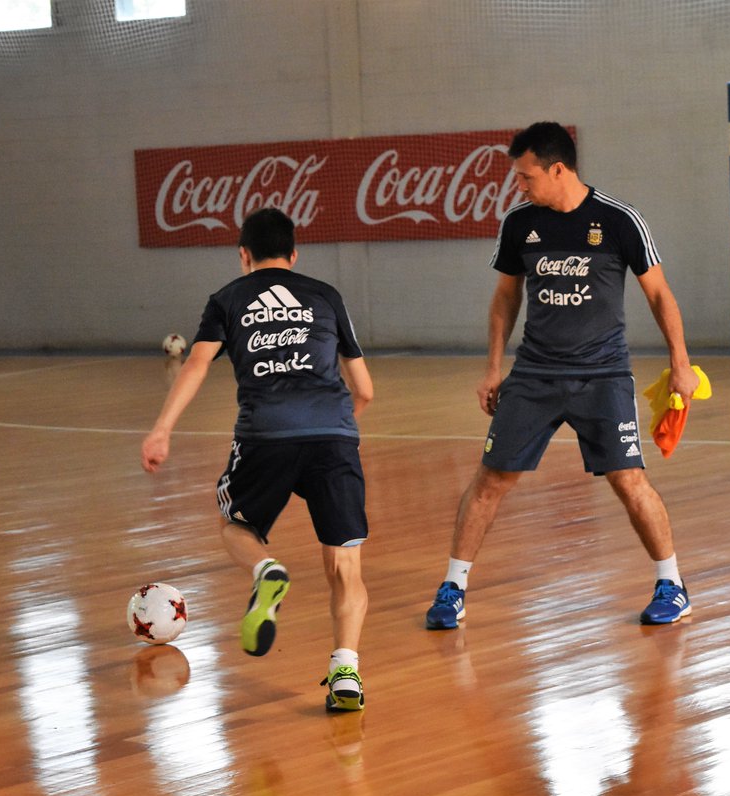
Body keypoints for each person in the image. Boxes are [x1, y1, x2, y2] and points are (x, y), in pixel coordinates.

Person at [424, 121, 700, 630]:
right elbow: (506, 297)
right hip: (534, 374)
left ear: (558, 169)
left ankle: (672, 584)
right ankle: (452, 589)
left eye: (526, 177)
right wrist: (493, 368)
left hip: (603, 375)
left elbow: (660, 295)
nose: (519, 186)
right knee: (490, 480)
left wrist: (679, 363)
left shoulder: (620, 220)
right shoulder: (520, 223)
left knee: (628, 479)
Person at [141, 207, 373, 713]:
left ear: (243, 255)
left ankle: (266, 568)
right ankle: (346, 673)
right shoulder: (326, 296)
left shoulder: (227, 299)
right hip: (333, 436)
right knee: (345, 565)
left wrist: (162, 430)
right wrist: (338, 425)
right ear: (295, 254)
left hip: (266, 435)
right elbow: (366, 389)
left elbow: (197, 363)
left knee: (235, 523)